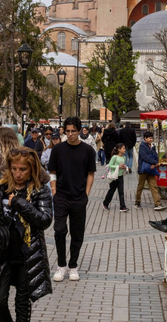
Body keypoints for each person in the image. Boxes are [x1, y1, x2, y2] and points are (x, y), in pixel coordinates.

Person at [0, 147, 53, 322]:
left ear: (32, 169)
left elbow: (44, 220)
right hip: (2, 254)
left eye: (23, 169)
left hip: (28, 255)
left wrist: (19, 203)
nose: (18, 173)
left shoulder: (40, 190)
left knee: (22, 304)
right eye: (14, 169)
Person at [48, 117, 96, 282]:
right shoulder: (58, 150)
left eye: (73, 131)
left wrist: (86, 193)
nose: (70, 134)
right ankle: (61, 265)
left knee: (77, 233)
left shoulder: (88, 151)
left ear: (79, 131)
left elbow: (91, 173)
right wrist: (53, 190)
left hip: (79, 198)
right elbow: (52, 171)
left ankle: (73, 265)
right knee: (59, 230)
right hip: (60, 196)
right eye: (67, 131)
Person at [135, 132, 166, 211]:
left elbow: (155, 156)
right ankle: (137, 202)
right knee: (140, 186)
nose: (151, 140)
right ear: (145, 138)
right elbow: (145, 157)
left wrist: (155, 163)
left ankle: (157, 204)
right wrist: (153, 162)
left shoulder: (152, 146)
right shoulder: (142, 146)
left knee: (153, 186)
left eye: (151, 138)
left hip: (151, 170)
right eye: (149, 138)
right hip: (143, 169)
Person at [102, 143, 128, 212]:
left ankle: (122, 207)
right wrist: (118, 167)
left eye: (125, 148)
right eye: (123, 148)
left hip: (120, 176)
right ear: (119, 149)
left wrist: (124, 167)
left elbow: (123, 166)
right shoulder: (114, 157)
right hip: (114, 177)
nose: (124, 150)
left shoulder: (124, 157)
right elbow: (110, 165)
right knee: (111, 191)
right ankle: (105, 203)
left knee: (121, 192)